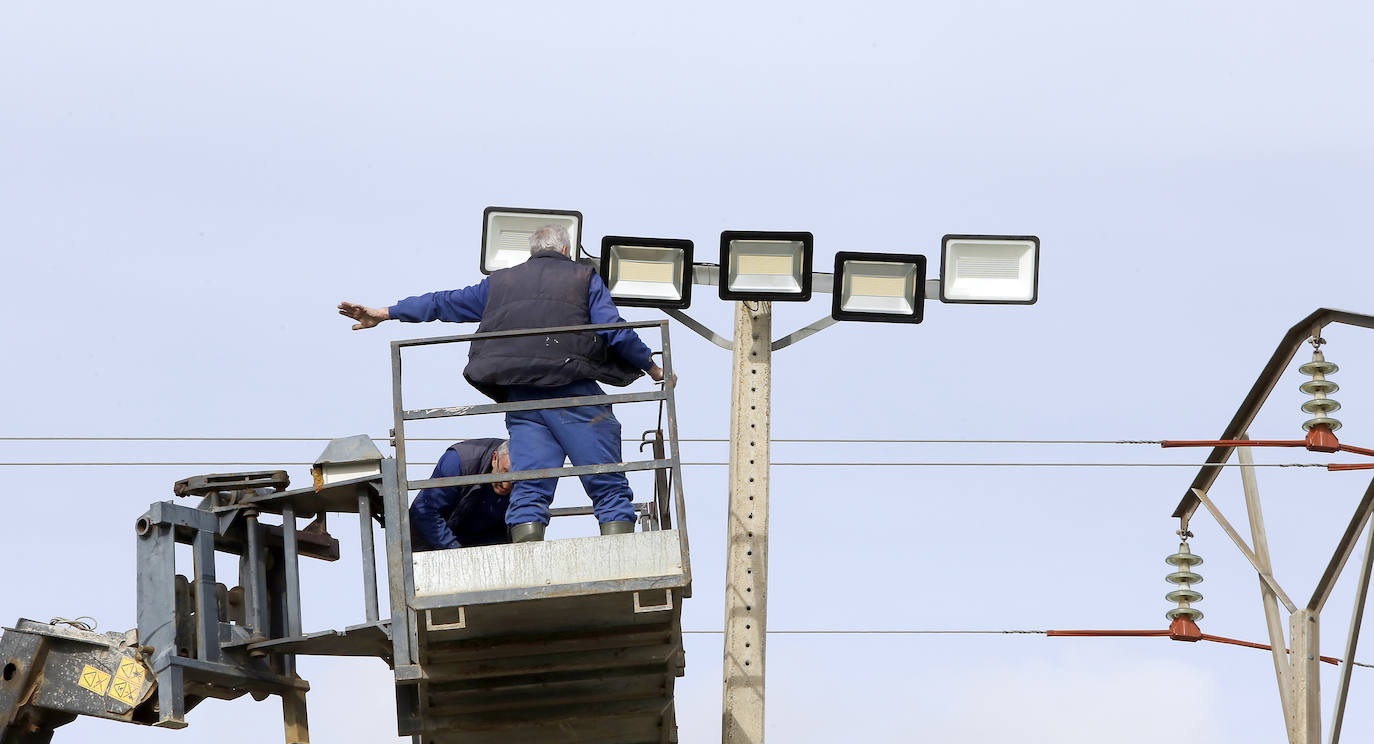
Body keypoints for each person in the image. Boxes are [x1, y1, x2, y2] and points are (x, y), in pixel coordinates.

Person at [339, 224, 670, 543]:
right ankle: (618, 542)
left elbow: (445, 302)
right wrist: (653, 367)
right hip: (570, 388)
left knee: (528, 484)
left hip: (521, 397)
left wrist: (386, 312)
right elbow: (615, 330)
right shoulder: (583, 277)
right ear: (566, 250)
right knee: (604, 475)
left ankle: (526, 548)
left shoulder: (500, 283)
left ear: (531, 252)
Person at [410, 438, 512, 551]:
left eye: (514, 479)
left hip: (488, 542)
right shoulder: (458, 462)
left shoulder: (532, 473)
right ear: (495, 458)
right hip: (434, 541)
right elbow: (425, 510)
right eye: (504, 472)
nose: (506, 485)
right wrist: (457, 554)